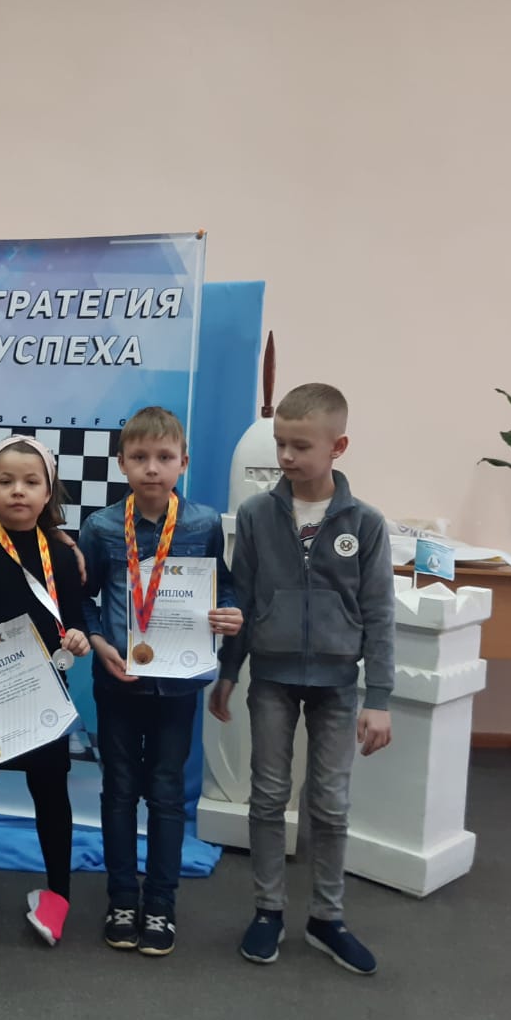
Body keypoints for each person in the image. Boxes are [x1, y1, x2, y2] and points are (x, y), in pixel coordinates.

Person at [210, 383, 394, 975]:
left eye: (301, 446)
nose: (286, 457)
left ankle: (326, 918)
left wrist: (379, 698)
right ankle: (268, 910)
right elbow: (242, 597)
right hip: (271, 678)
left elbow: (379, 613)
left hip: (339, 685)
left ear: (338, 447)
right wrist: (228, 672)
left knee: (331, 804)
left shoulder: (366, 524)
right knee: (268, 797)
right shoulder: (257, 515)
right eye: (281, 444)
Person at [79, 407, 243, 957]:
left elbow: (225, 586)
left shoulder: (202, 523)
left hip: (177, 686)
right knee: (120, 790)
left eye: (164, 457)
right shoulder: (102, 528)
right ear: (122, 463)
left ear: (183, 463)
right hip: (119, 682)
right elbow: (83, 598)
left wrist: (229, 612)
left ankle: (161, 902)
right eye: (140, 457)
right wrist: (98, 642)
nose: (152, 468)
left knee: (168, 793)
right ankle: (123, 898)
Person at [0, 437, 91, 945]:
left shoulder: (62, 553)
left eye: (31, 482)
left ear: (49, 492)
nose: (18, 491)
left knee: (51, 792)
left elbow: (76, 619)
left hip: (44, 694)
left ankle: (58, 893)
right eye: (5, 481)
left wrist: (78, 638)